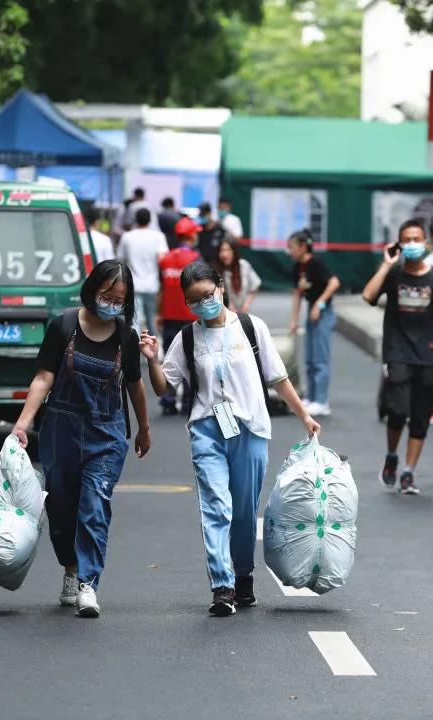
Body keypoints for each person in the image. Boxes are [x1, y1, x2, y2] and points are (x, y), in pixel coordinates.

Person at [141, 262, 319, 616]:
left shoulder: (251, 328)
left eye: (208, 295)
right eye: (194, 301)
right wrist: (152, 360)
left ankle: (243, 578)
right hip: (207, 429)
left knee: (242, 512)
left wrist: (304, 415)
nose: (203, 304)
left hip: (249, 429)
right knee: (216, 507)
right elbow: (164, 386)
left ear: (220, 288)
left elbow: (278, 378)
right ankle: (221, 586)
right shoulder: (187, 338)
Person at [11, 260, 152, 618]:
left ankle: (89, 583)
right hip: (61, 428)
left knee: (94, 504)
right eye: (106, 295)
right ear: (92, 290)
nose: (111, 303)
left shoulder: (126, 337)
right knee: (61, 506)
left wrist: (144, 428)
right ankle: (71, 569)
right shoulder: (63, 327)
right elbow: (44, 378)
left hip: (107, 432)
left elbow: (135, 384)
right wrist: (22, 424)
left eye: (119, 299)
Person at [362, 218, 433, 495]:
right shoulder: (393, 274)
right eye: (407, 240)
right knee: (398, 411)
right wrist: (387, 264)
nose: (413, 244)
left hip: (429, 356)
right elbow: (368, 296)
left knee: (420, 417)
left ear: (426, 243)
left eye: (417, 239)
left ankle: (409, 472)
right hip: (398, 352)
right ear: (399, 244)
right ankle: (392, 455)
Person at [288, 229, 340, 418]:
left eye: (292, 247)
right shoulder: (297, 267)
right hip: (311, 311)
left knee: (320, 357)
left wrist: (320, 303)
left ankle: (322, 401)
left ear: (303, 246)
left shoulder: (316, 263)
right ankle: (310, 397)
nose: (290, 251)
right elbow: (297, 294)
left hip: (323, 312)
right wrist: (294, 321)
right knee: (309, 358)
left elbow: (334, 283)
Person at [156, 217, 202, 416]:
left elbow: (161, 288)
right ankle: (188, 401)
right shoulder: (195, 259)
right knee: (190, 359)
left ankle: (168, 399)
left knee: (169, 358)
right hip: (189, 316)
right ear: (191, 235)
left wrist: (159, 312)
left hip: (168, 315)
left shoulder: (165, 258)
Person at [118, 207, 168, 330]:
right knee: (152, 319)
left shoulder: (127, 236)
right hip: (152, 284)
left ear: (135, 220)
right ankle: (152, 346)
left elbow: (120, 259)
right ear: (150, 220)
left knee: (134, 320)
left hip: (133, 284)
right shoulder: (158, 236)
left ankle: (134, 347)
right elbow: (163, 259)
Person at [216, 238, 261, 313]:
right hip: (225, 313)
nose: (224, 254)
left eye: (228, 250)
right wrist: (229, 305)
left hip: (243, 312)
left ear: (234, 251)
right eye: (221, 250)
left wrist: (247, 304)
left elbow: (256, 285)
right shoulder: (216, 269)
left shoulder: (243, 265)